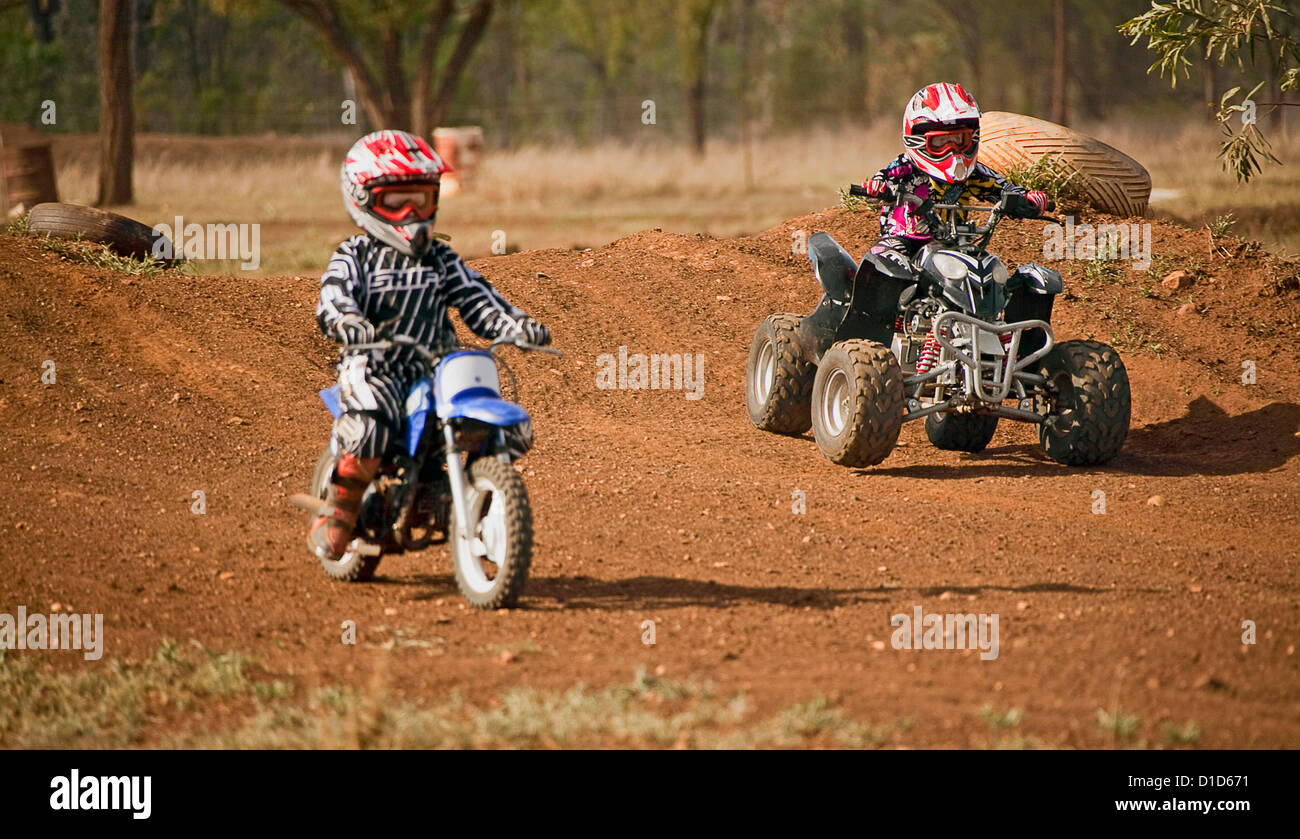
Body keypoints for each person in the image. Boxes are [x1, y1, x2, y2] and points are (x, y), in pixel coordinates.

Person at [308, 129, 551, 562]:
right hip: (374, 365)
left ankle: (469, 498)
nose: (410, 211)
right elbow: (334, 297)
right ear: (362, 200)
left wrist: (515, 324)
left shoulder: (442, 260)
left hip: (436, 366)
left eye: (419, 198)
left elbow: (479, 299)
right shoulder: (355, 256)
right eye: (395, 201)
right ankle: (337, 518)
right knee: (370, 428)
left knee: (505, 428)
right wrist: (348, 321)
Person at [860, 82, 1054, 260]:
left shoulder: (974, 173)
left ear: (973, 138)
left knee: (986, 266)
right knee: (886, 257)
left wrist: (1027, 198)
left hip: (954, 243)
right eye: (941, 142)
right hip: (906, 238)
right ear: (918, 141)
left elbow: (1001, 188)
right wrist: (877, 187)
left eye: (960, 139)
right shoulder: (905, 167)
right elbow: (884, 178)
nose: (952, 151)